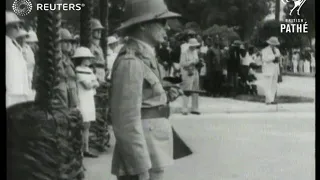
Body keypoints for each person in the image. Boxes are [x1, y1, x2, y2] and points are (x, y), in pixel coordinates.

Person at [110, 0, 182, 179]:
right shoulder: (130, 61)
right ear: (143, 25)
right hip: (143, 158)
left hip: (153, 151)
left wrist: (164, 95)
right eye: (162, 22)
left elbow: (143, 99)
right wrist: (139, 168)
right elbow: (125, 121)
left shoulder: (145, 56)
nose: (167, 28)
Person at [73, 47, 99, 158]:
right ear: (81, 59)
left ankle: (86, 148)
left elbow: (96, 83)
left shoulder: (89, 70)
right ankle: (80, 150)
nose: (89, 60)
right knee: (82, 123)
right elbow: (88, 85)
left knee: (87, 125)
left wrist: (93, 83)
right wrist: (93, 83)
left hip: (89, 98)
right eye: (87, 58)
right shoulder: (78, 70)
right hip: (82, 98)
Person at [6, 11, 30, 107]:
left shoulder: (15, 44)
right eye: (14, 26)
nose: (18, 29)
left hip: (19, 90)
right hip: (10, 92)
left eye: (19, 26)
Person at [58, 28, 79, 109]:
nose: (69, 44)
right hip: (63, 98)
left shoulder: (69, 59)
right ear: (59, 43)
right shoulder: (58, 60)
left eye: (70, 42)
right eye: (66, 42)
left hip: (72, 97)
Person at [180, 38, 201, 115]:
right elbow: (182, 63)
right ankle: (184, 108)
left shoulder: (195, 52)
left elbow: (197, 60)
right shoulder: (184, 53)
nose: (194, 47)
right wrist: (192, 62)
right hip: (187, 72)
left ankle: (195, 107)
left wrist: (198, 62)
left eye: (195, 45)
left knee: (195, 89)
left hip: (195, 71)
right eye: (193, 45)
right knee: (187, 90)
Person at [16, 29, 36, 101]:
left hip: (29, 74)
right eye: (21, 38)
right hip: (23, 75)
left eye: (24, 37)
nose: (23, 40)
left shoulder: (28, 49)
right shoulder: (19, 49)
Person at [260, 36, 281, 105]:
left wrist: (279, 72)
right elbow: (264, 59)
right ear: (270, 43)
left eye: (275, 44)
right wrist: (274, 57)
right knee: (267, 85)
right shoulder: (265, 50)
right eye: (273, 43)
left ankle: (270, 100)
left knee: (274, 85)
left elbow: (278, 60)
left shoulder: (277, 50)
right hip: (268, 68)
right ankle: (270, 100)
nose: (274, 45)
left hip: (275, 68)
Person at [89, 18, 106, 83]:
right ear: (91, 31)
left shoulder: (99, 47)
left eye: (100, 30)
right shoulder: (90, 47)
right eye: (97, 30)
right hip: (95, 74)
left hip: (101, 73)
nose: (99, 32)